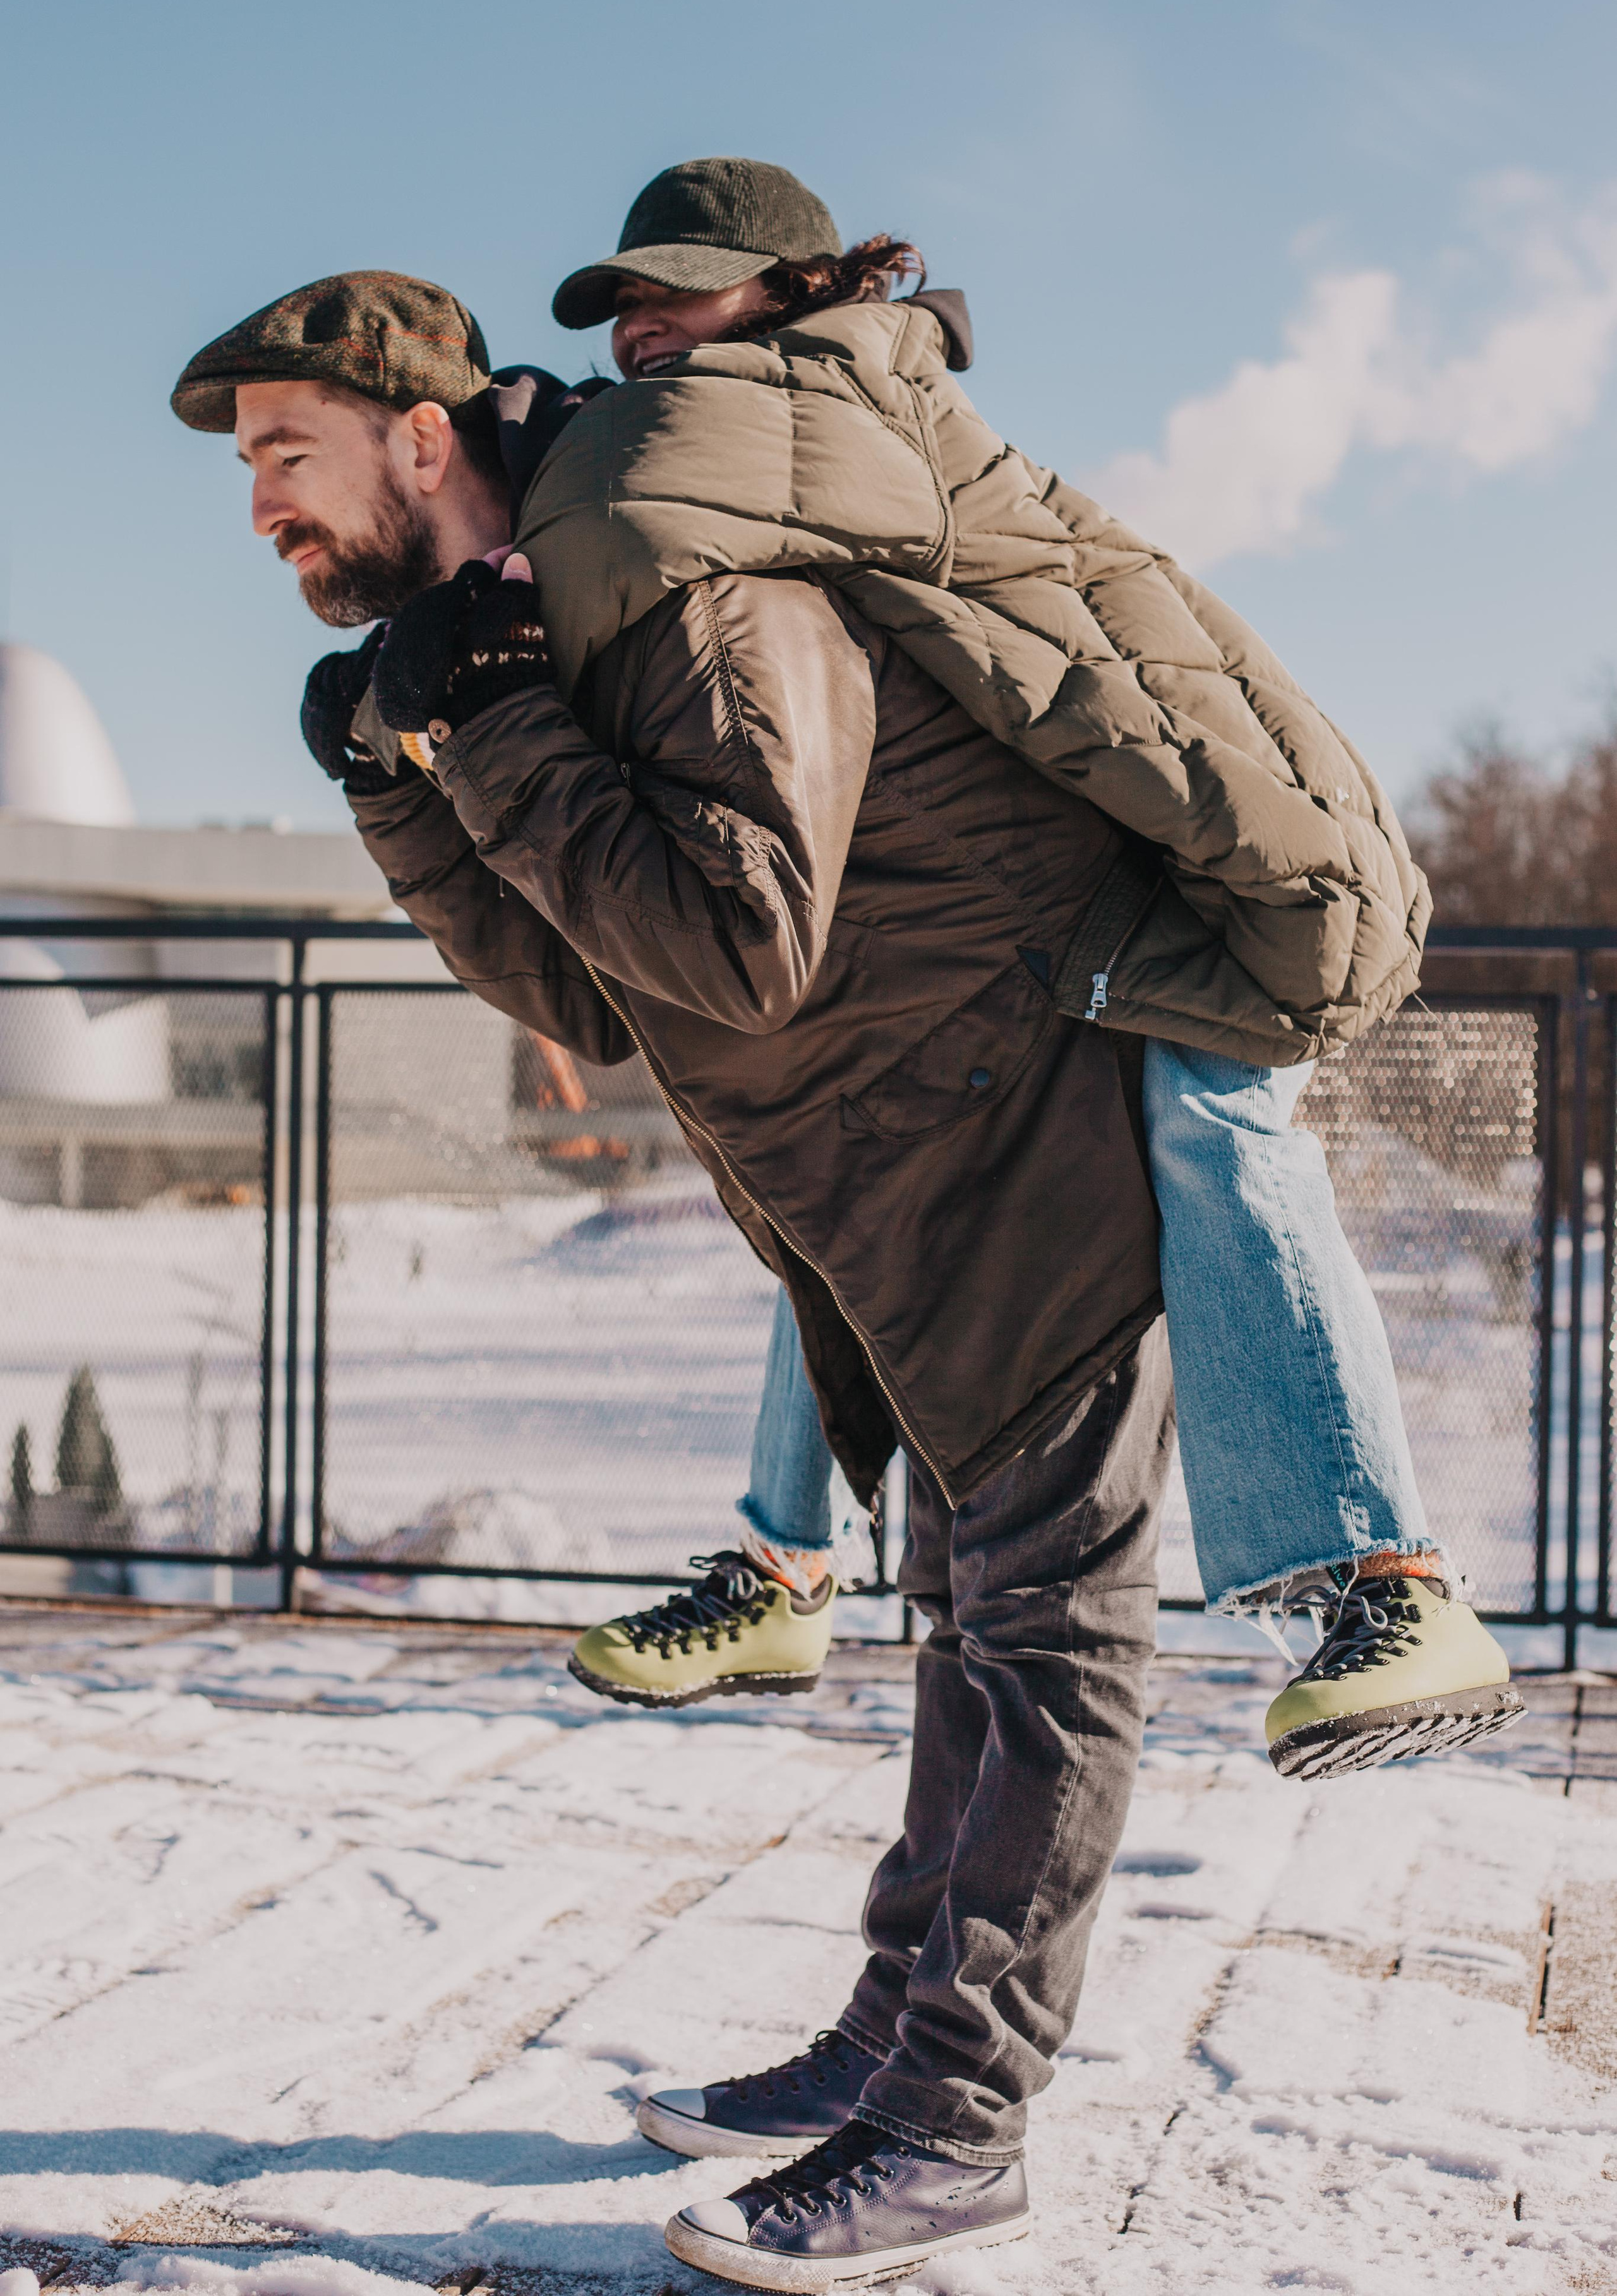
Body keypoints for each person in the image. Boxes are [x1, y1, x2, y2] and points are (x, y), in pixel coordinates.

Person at [179, 266, 1181, 2285]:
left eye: (288, 449)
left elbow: (737, 945)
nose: (262, 500)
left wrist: (487, 719)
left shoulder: (680, 575)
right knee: (966, 1629)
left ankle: (959, 2122)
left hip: (1034, 1142)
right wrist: (408, 787)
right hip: (892, 1187)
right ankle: (898, 2041)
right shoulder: (538, 613)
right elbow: (590, 991)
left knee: (1048, 1638)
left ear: (424, 439)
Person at [524, 160, 1521, 1790]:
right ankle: (786, 1563)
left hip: (1186, 885)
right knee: (846, 1160)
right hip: (1064, 896)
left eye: (677, 290)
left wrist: (506, 444)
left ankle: (1394, 1577)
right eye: (621, 302)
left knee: (1221, 1122)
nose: (640, 326)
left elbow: (637, 488)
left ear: (797, 290)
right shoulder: (784, 417)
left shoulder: (818, 403)